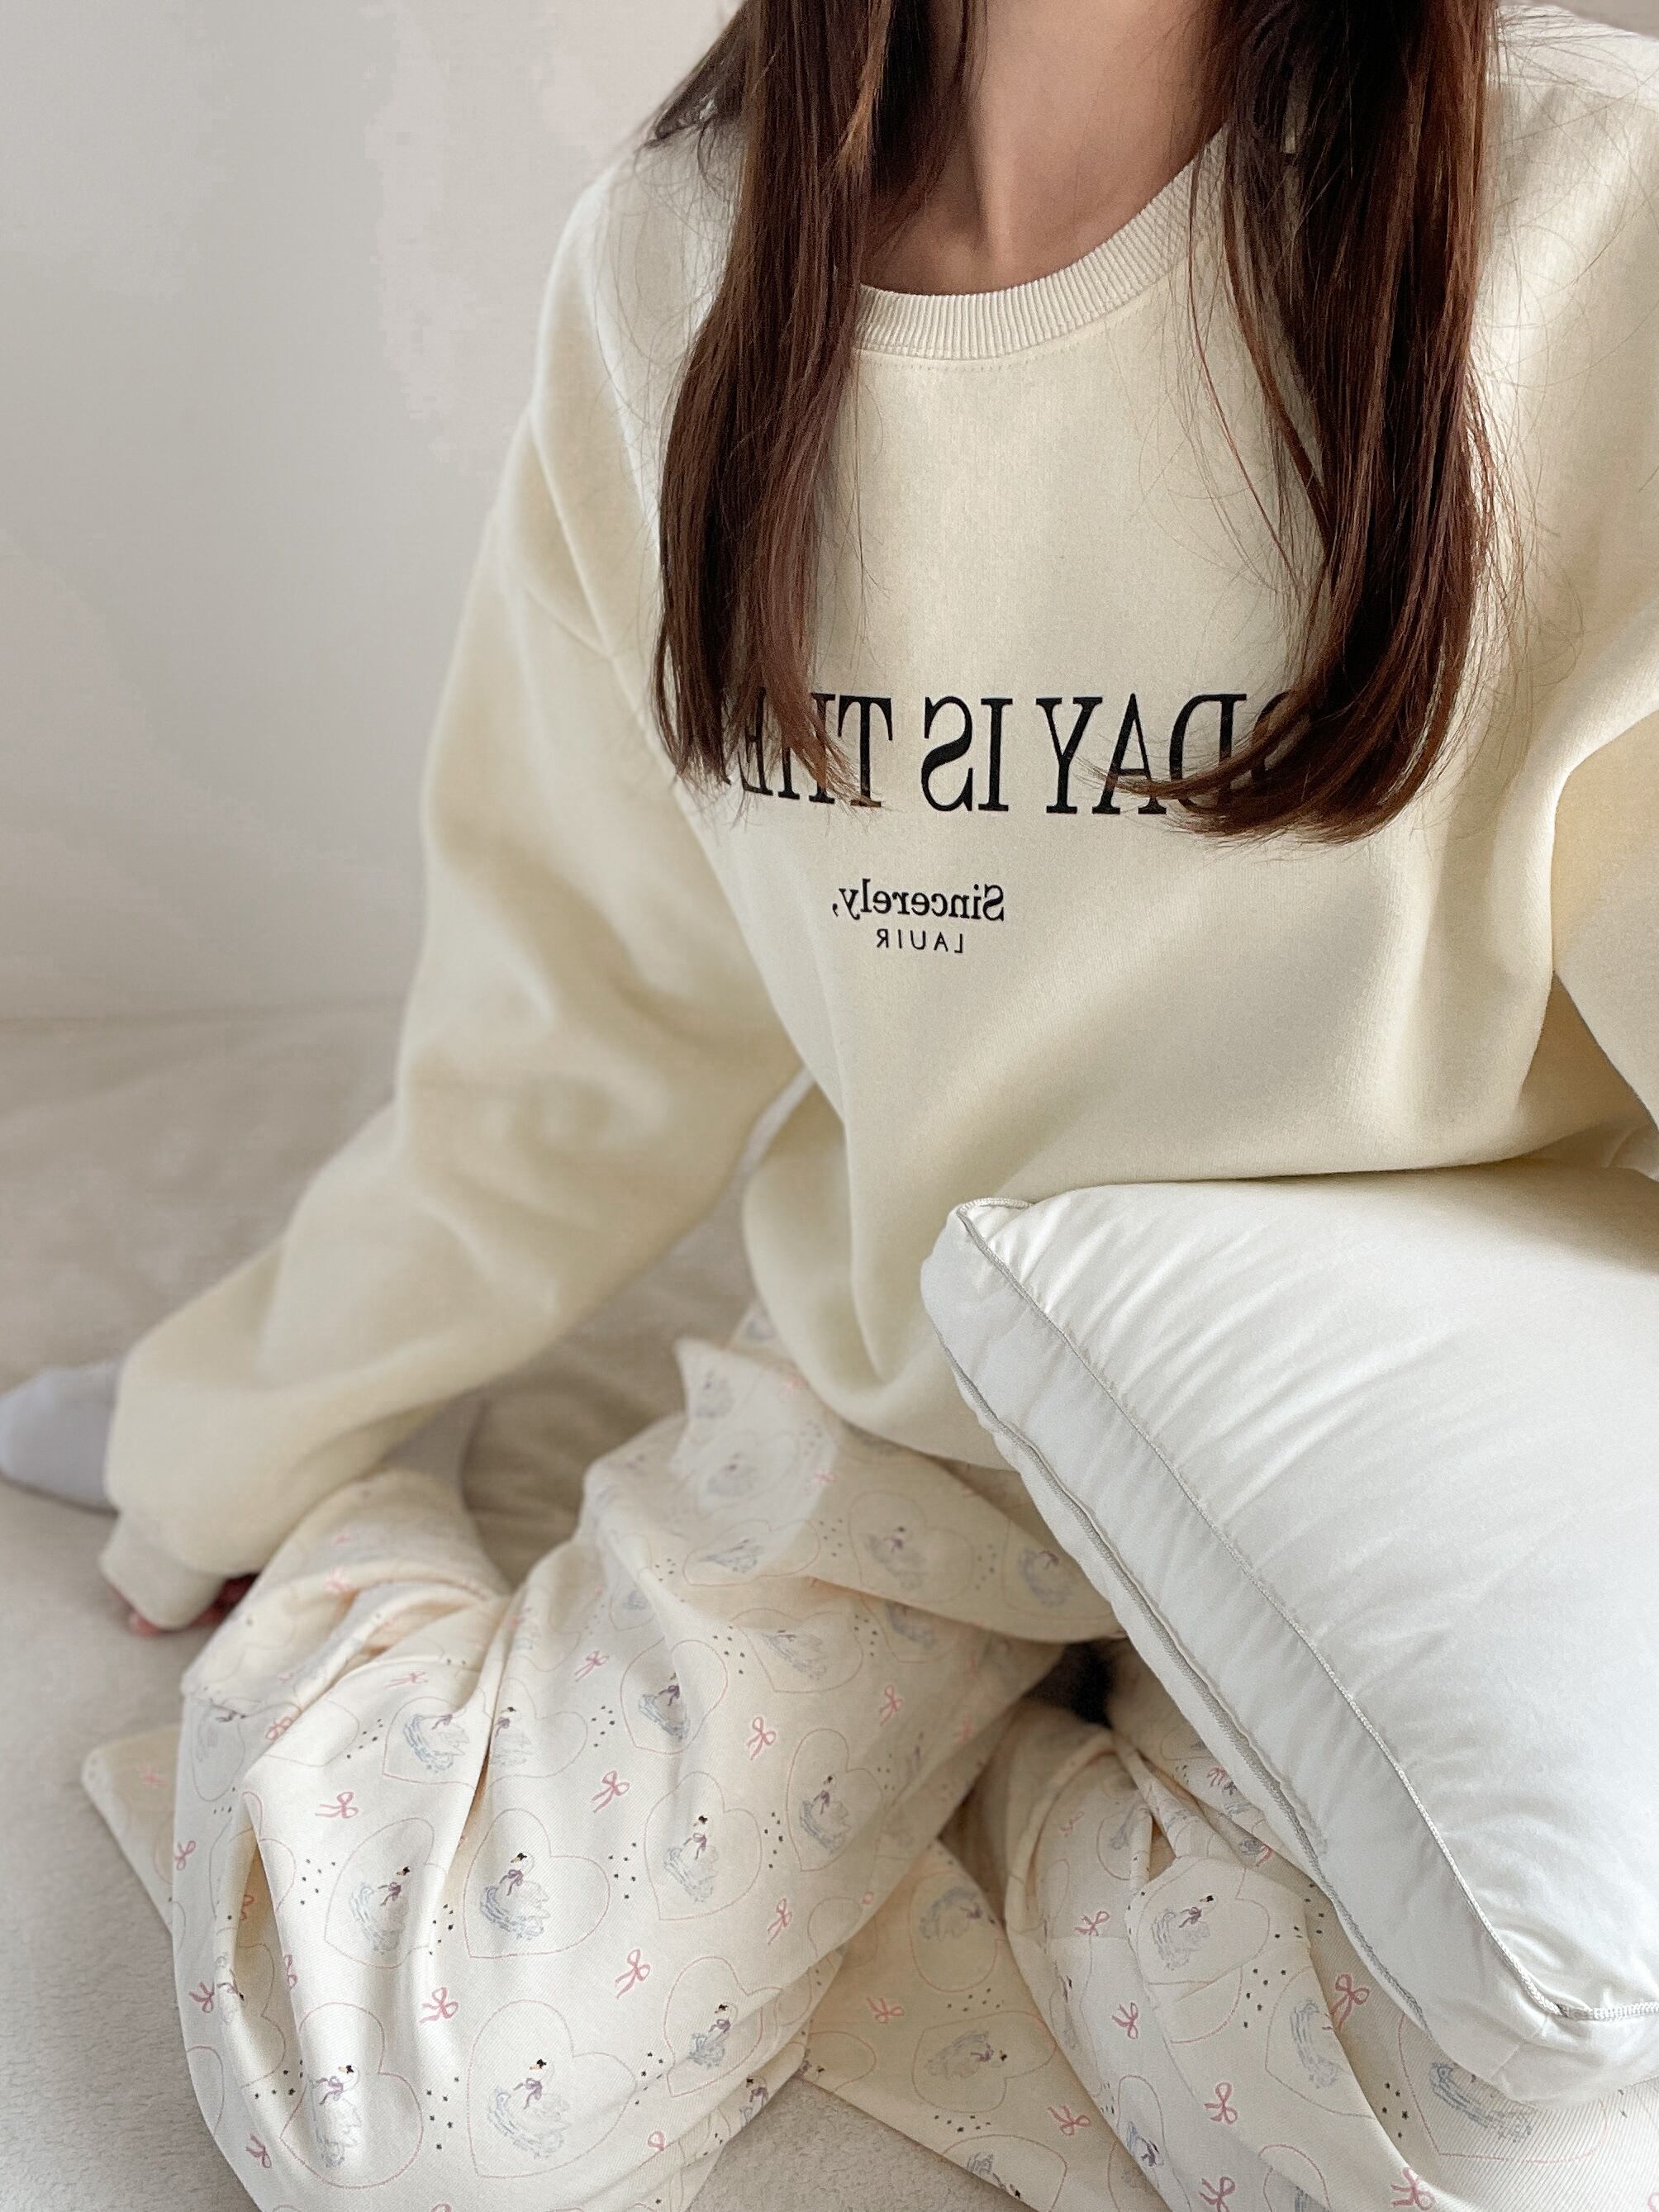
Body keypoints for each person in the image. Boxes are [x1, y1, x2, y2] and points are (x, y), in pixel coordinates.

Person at [7, 0, 1659, 2205]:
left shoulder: (1594, 212)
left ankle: (934, 1819)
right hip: (915, 1409)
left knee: (1517, 2145)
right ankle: (458, 1586)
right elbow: (573, 1029)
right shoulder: (678, 270)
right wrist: (241, 1433)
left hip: (1404, 1457)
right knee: (414, 2113)